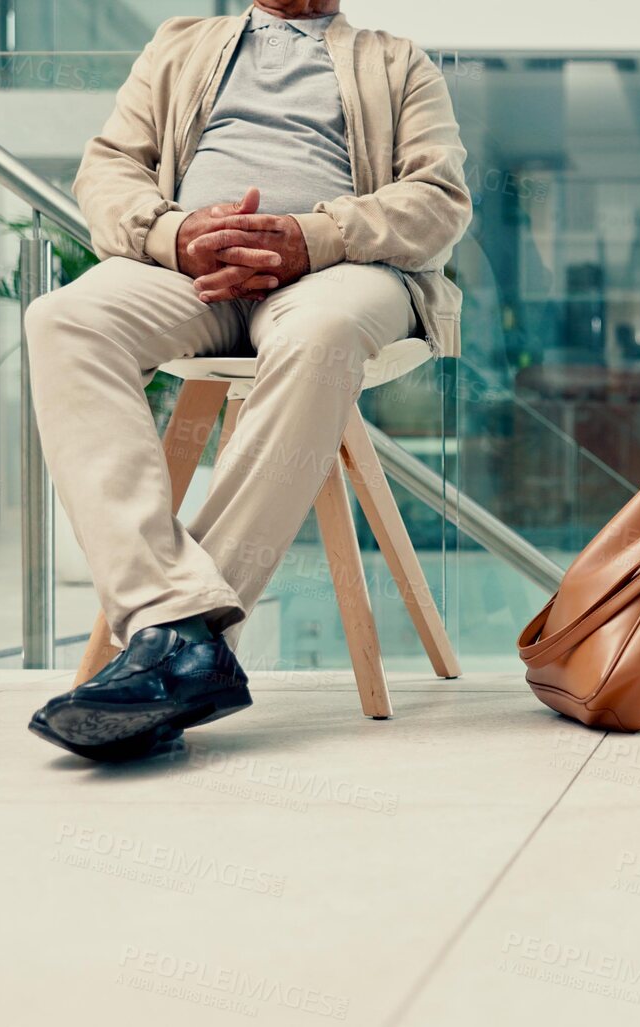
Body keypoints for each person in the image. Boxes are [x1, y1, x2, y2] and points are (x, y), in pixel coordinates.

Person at [25, 0, 470, 760]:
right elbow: (107, 170)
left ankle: (175, 641)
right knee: (64, 318)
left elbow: (438, 202)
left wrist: (313, 235)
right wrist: (176, 233)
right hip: (188, 272)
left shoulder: (397, 61)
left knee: (320, 334)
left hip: (338, 273)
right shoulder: (179, 45)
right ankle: (177, 630)